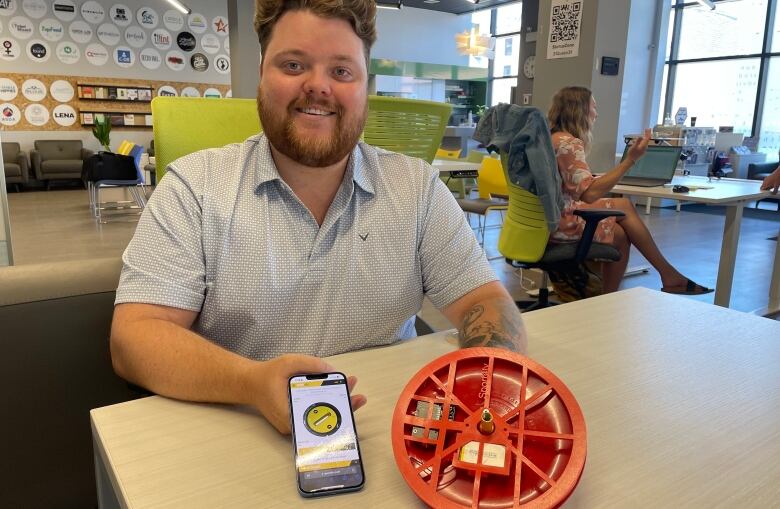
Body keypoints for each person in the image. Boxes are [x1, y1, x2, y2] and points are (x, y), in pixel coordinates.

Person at [109, 0, 527, 435]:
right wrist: (251, 383)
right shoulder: (194, 186)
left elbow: (487, 303)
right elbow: (135, 338)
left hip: (394, 433)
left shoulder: (416, 188)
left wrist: (483, 402)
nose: (318, 86)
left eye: (342, 72)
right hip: (236, 429)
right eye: (293, 65)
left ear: (366, 88)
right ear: (261, 78)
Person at [547, 86, 713, 296]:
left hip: (547, 220)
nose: (596, 114)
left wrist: (603, 176)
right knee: (621, 232)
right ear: (579, 110)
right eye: (593, 108)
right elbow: (589, 194)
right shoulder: (569, 143)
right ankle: (658, 279)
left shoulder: (551, 138)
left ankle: (665, 276)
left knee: (622, 217)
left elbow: (572, 185)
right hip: (563, 223)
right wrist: (631, 160)